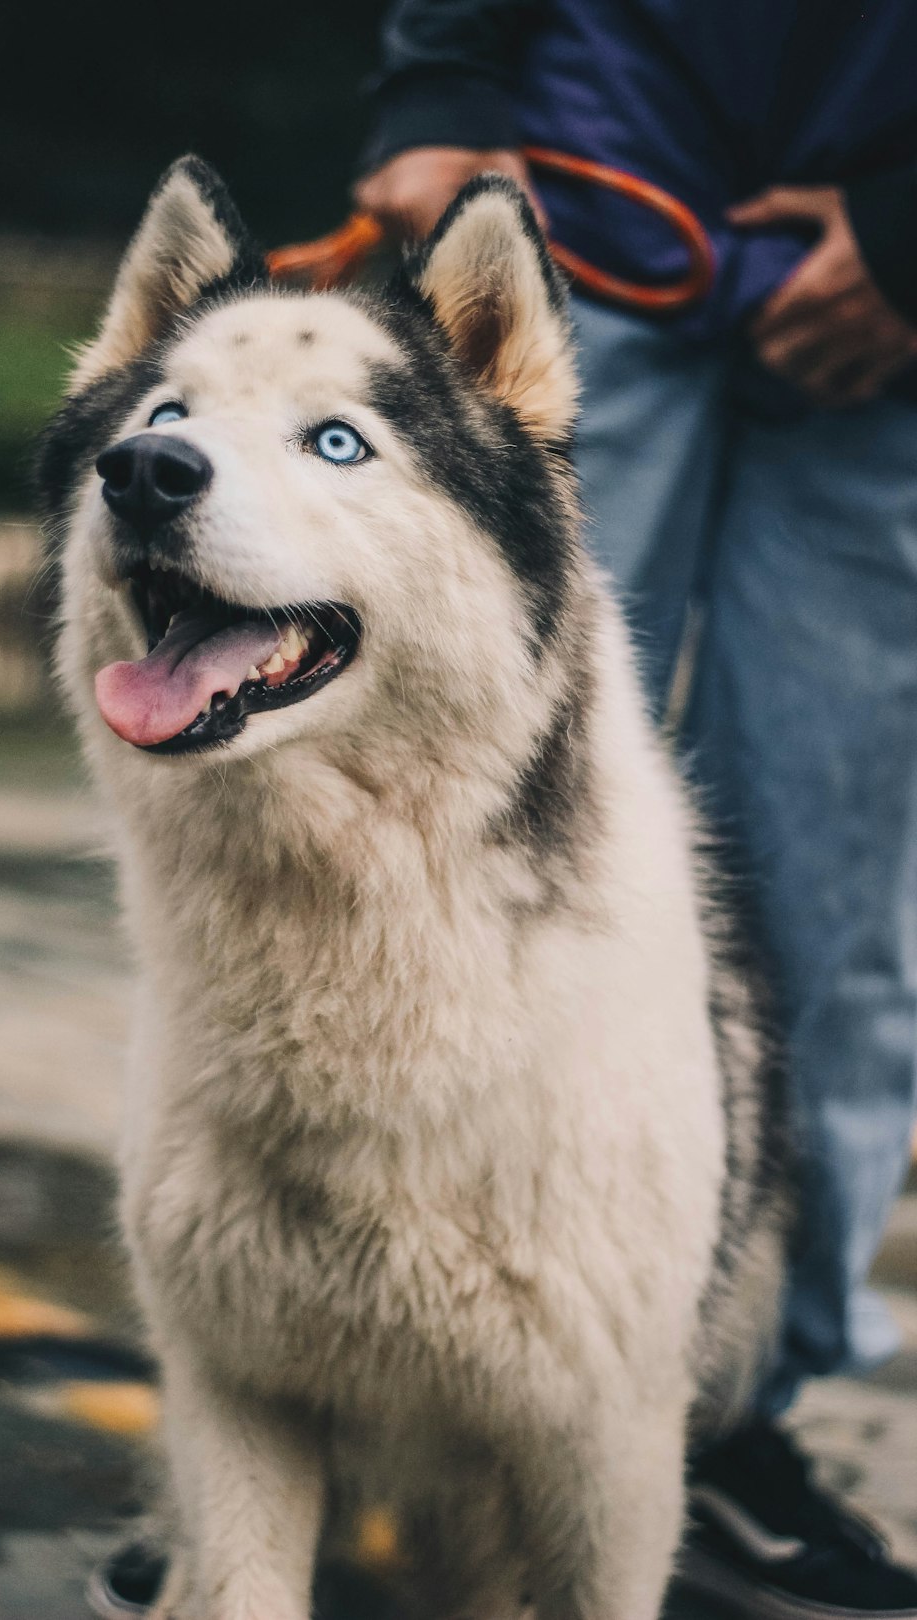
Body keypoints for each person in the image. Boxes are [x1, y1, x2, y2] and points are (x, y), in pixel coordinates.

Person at [353, 3, 917, 1618]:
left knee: (831, 885)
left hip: (888, 296)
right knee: (434, 818)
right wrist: (441, 87)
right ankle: (327, 1395)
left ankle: (731, 1414)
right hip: (579, 201)